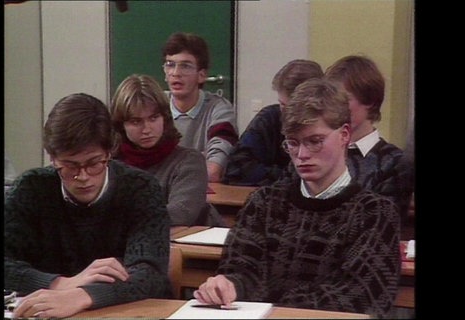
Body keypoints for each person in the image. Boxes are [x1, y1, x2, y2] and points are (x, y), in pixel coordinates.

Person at [193, 78, 401, 318]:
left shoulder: (374, 213)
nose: (302, 155)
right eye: (292, 143)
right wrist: (227, 285)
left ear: (344, 134)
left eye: (315, 141)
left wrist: (275, 305)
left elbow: (360, 297)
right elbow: (241, 270)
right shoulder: (263, 203)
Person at [4, 93, 172, 319]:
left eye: (94, 163)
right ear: (53, 158)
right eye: (69, 166)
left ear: (109, 153)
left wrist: (82, 295)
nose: (82, 177)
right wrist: (60, 284)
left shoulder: (141, 189)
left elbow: (150, 274)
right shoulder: (32, 188)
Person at [110, 74, 223, 227]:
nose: (147, 129)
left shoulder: (188, 161)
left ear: (165, 117)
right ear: (121, 125)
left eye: (153, 118)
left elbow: (181, 213)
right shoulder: (109, 163)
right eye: (136, 121)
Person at [324, 54, 414, 223]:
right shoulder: (322, 152)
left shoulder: (394, 162)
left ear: (370, 101)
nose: (335, 107)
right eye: (332, 99)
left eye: (345, 99)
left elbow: (382, 223)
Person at [222, 59, 323, 186]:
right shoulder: (269, 119)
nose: (288, 114)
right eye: (283, 105)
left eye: (294, 107)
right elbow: (236, 169)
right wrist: (286, 178)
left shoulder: (330, 128)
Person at [161, 32, 239, 182]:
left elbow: (213, 172)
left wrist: (166, 166)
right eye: (170, 65)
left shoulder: (220, 110)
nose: (176, 73)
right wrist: (197, 160)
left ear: (201, 75)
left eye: (186, 66)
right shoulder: (155, 105)